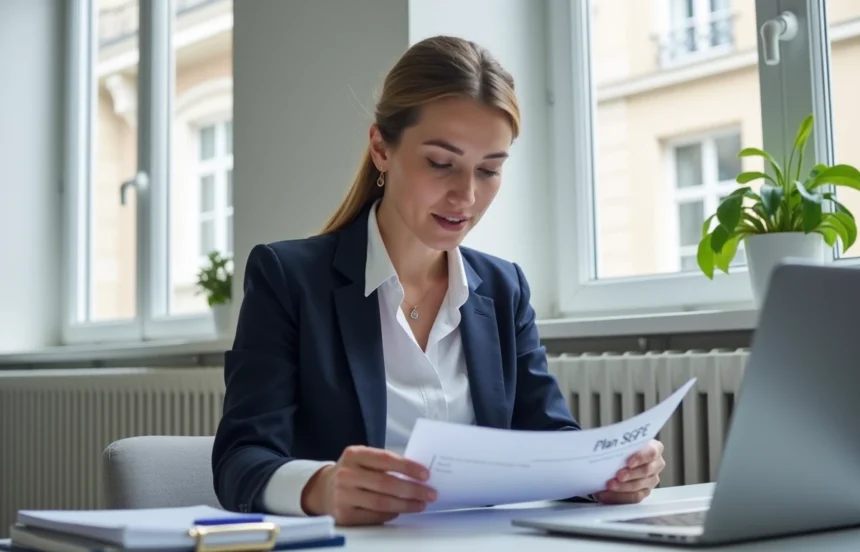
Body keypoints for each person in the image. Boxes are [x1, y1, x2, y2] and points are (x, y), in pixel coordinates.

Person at [212, 35, 666, 526]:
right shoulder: (289, 279)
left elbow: (548, 437)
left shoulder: (503, 288)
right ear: (381, 148)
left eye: (489, 170)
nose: (465, 196)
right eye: (441, 163)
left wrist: (605, 476)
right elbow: (241, 460)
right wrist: (321, 487)